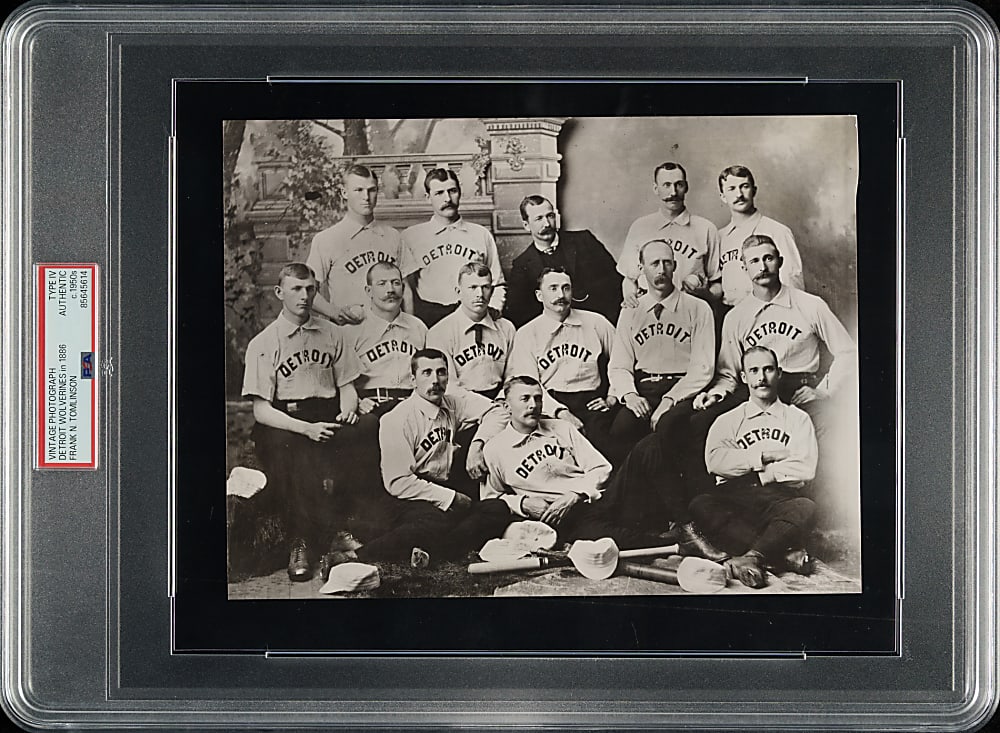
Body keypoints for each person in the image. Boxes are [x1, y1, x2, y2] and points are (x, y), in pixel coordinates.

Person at [678, 233, 856, 494]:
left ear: (780, 261)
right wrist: (716, 394)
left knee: (832, 426)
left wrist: (825, 389)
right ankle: (712, 503)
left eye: (768, 258)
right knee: (700, 423)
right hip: (753, 389)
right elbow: (729, 372)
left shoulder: (810, 305)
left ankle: (822, 505)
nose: (762, 267)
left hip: (798, 388)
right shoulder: (737, 316)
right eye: (754, 261)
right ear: (744, 267)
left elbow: (848, 352)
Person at [241, 262, 378, 582]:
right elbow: (261, 410)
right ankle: (300, 541)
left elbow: (346, 385)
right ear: (279, 293)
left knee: (368, 428)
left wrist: (348, 410)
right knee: (295, 449)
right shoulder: (264, 342)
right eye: (296, 289)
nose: (304, 296)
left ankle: (346, 527)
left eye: (310, 289)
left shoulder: (333, 333)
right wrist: (304, 428)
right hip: (285, 418)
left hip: (328, 411)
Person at [326, 349, 511, 566]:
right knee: (435, 520)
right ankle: (355, 557)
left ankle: (431, 552)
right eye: (427, 373)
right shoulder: (397, 418)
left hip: (439, 486)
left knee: (496, 509)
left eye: (441, 372)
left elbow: (498, 412)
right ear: (413, 379)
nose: (435, 380)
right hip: (404, 496)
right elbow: (398, 482)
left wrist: (477, 446)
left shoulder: (453, 403)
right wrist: (450, 498)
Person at [482, 376, 685, 548]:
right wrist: (522, 503)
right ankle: (669, 542)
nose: (533, 405)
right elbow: (492, 499)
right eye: (525, 399)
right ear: (507, 406)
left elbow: (601, 468)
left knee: (650, 445)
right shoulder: (495, 449)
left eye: (538, 398)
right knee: (626, 539)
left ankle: (687, 525)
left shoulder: (561, 428)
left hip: (599, 499)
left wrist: (576, 494)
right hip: (567, 520)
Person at [688, 346, 818, 588]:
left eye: (768, 369)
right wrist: (765, 456)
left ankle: (752, 557)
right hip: (735, 498)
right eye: (754, 370)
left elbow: (805, 468)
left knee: (806, 507)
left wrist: (756, 473)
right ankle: (781, 555)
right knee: (700, 505)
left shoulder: (798, 419)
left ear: (779, 373)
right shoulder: (727, 421)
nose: (761, 377)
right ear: (743, 377)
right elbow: (715, 463)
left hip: (780, 498)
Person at [607, 238, 714, 459]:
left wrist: (670, 400)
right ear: (641, 269)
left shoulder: (698, 308)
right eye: (654, 263)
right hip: (644, 388)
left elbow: (703, 368)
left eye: (667, 263)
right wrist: (630, 396)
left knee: (668, 427)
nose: (661, 270)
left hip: (683, 390)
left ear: (675, 266)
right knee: (621, 429)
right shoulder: (630, 311)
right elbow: (619, 365)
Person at [507, 267, 617, 446]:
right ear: (539, 295)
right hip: (549, 405)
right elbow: (529, 383)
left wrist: (611, 398)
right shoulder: (527, 333)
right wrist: (560, 412)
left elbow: (621, 361)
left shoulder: (596, 322)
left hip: (592, 403)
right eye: (553, 288)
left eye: (566, 288)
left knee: (603, 447)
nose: (561, 294)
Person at [401, 168, 506, 326]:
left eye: (452, 191)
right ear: (427, 197)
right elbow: (405, 288)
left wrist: (492, 311)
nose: (447, 198)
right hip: (429, 316)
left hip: (471, 316)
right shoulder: (411, 236)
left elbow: (497, 282)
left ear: (460, 192)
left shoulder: (480, 234)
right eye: (439, 193)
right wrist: (411, 326)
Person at [305, 164, 403, 325]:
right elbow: (307, 290)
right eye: (358, 190)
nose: (366, 197)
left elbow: (406, 291)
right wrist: (334, 312)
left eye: (371, 190)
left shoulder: (392, 236)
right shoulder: (327, 239)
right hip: (348, 333)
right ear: (344, 193)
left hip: (388, 335)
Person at [506, 195, 623, 327]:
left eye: (550, 216)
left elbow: (614, 282)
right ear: (526, 225)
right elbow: (518, 312)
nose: (547, 224)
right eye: (539, 219)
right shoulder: (522, 265)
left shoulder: (584, 241)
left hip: (594, 326)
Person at [618, 162, 722, 308]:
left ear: (686, 187)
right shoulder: (640, 227)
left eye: (678, 184)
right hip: (650, 311)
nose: (673, 192)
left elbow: (717, 284)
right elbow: (629, 279)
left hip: (691, 310)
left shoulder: (706, 228)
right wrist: (630, 296)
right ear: (656, 188)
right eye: (666, 185)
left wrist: (706, 294)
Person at [343, 262, 427, 417]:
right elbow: (341, 381)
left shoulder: (418, 328)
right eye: (382, 284)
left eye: (396, 283)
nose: (390, 290)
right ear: (369, 291)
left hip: (412, 405)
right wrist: (359, 402)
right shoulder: (351, 331)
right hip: (372, 406)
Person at [716, 165, 805, 309]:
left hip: (768, 311)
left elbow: (793, 282)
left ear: (754, 191)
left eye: (744, 186)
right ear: (723, 197)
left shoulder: (777, 231)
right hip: (728, 315)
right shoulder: (719, 237)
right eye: (731, 189)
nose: (739, 194)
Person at [426, 262, 516, 399]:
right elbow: (449, 386)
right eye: (473, 287)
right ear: (458, 291)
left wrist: (501, 400)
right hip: (460, 405)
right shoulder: (440, 332)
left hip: (500, 402)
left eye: (485, 287)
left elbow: (513, 375)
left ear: (492, 291)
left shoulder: (506, 328)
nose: (480, 294)